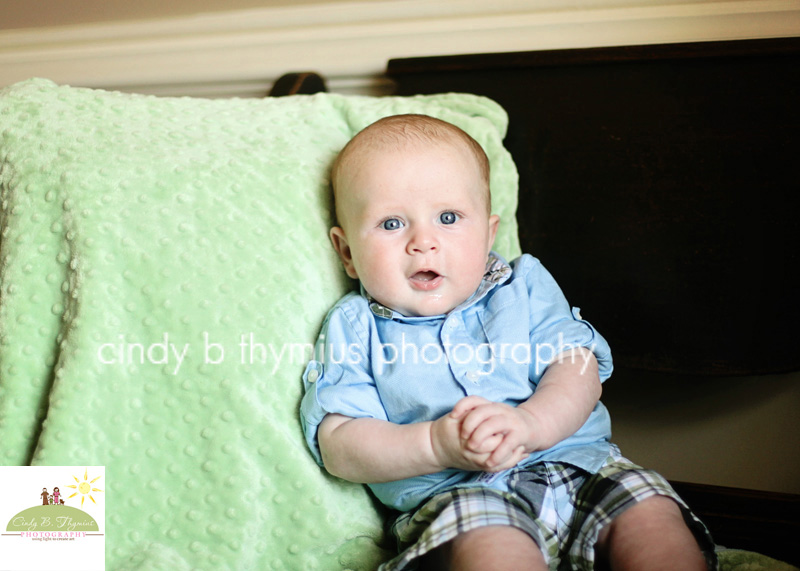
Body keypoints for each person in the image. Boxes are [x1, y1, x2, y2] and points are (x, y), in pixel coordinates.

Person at [300, 114, 716, 570]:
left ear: (488, 233)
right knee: (493, 547)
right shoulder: (356, 326)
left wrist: (532, 424)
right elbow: (340, 444)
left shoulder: (524, 287)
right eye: (392, 223)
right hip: (461, 500)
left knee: (650, 512)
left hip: (580, 469)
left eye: (448, 217)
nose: (424, 242)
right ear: (346, 253)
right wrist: (435, 446)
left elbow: (577, 367)